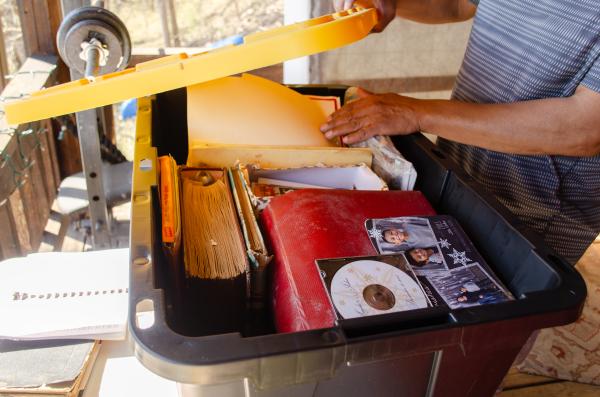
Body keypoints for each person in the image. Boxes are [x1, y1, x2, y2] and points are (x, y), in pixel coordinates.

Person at [323, 0, 600, 265]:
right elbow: (458, 4)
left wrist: (414, 112)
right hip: (456, 168)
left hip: (531, 210)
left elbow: (584, 128)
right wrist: (391, 2)